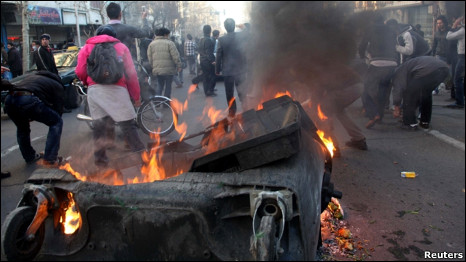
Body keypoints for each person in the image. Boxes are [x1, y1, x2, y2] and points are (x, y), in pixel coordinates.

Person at [75, 25, 146, 167]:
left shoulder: (86, 48)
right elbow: (131, 74)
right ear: (114, 36)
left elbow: (80, 71)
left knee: (99, 126)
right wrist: (136, 96)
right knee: (128, 125)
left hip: (95, 91)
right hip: (117, 89)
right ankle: (143, 157)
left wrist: (87, 83)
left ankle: (100, 160)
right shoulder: (121, 47)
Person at [3, 71, 65, 166]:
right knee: (56, 122)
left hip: (9, 100)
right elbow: (58, 109)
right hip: (27, 99)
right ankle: (50, 158)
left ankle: (29, 156)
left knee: (22, 128)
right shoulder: (57, 85)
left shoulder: (33, 78)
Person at [313, 63, 368, 156]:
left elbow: (320, 88)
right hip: (358, 86)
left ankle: (334, 147)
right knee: (339, 110)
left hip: (349, 88)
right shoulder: (329, 62)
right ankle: (359, 139)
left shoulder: (322, 67)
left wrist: (314, 100)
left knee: (324, 109)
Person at [358, 13, 398, 129]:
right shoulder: (390, 30)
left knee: (365, 89)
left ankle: (373, 114)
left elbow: (362, 46)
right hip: (392, 64)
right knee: (383, 91)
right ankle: (379, 116)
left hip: (377, 63)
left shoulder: (370, 29)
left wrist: (362, 57)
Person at [392, 56, 449, 130]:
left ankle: (410, 123)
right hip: (443, 69)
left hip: (427, 70)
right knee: (426, 94)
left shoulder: (398, 73)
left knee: (409, 95)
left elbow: (398, 89)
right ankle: (425, 121)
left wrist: (397, 107)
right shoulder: (408, 66)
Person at [216, 18, 248, 118]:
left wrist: (217, 69)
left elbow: (218, 56)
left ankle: (232, 111)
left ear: (225, 27)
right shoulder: (241, 37)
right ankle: (246, 108)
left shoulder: (221, 39)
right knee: (242, 90)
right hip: (240, 69)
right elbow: (246, 52)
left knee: (229, 92)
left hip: (228, 71)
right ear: (234, 26)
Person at [147, 27, 182, 100]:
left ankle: (158, 101)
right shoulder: (170, 43)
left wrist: (153, 66)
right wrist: (179, 65)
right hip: (169, 70)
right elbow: (175, 56)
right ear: (165, 35)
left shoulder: (151, 44)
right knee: (168, 86)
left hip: (157, 70)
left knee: (160, 86)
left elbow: (150, 58)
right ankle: (166, 102)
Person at [431, 15, 457, 96]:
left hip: (450, 56)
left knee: (453, 75)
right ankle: (436, 89)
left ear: (444, 23)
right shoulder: (437, 33)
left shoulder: (450, 31)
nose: (439, 25)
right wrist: (433, 54)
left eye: (440, 23)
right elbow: (434, 45)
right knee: (437, 74)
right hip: (439, 55)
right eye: (438, 23)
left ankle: (454, 93)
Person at [445, 16, 465, 109]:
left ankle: (460, 102)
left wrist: (454, 25)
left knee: (457, 79)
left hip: (462, 57)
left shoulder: (463, 31)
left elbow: (448, 36)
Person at [198, 25, 217, 97]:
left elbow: (199, 50)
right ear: (210, 31)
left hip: (202, 60)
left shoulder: (201, 39)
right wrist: (212, 61)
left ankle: (206, 91)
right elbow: (209, 52)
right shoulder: (208, 40)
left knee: (205, 76)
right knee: (212, 76)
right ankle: (210, 90)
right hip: (208, 61)